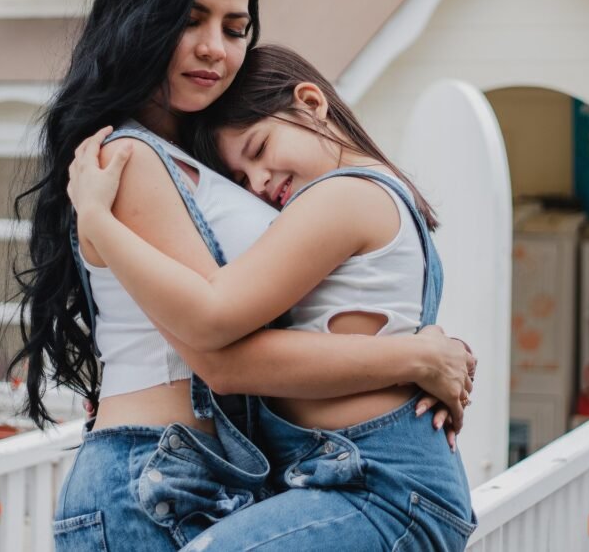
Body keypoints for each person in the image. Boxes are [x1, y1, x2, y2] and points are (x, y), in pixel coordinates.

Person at [12, 0, 475, 551]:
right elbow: (214, 344)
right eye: (191, 19)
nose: (216, 48)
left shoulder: (207, 160)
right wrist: (414, 358)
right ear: (142, 16)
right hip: (151, 473)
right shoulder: (129, 158)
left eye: (236, 28)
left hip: (208, 477)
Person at [67, 44, 477, 550]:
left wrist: (98, 224)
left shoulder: (344, 196)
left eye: (258, 149)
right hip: (361, 481)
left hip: (380, 487)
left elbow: (216, 317)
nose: (259, 183)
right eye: (241, 179)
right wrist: (419, 356)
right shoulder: (371, 197)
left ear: (311, 102)